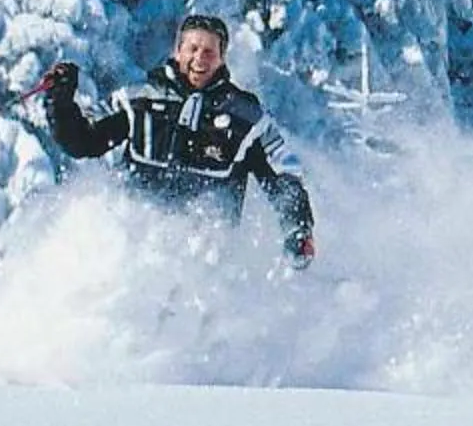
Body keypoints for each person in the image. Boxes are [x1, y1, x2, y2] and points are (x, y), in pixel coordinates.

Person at [44, 13, 316, 267]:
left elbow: (282, 175)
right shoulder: (139, 99)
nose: (200, 59)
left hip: (204, 261)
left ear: (221, 59)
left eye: (209, 52)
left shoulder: (245, 117)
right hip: (132, 247)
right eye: (193, 49)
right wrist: (60, 102)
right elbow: (83, 141)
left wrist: (298, 229)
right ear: (178, 51)